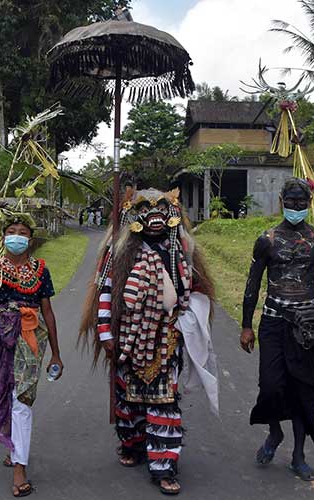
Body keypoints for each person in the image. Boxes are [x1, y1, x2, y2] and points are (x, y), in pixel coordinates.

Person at [80, 188, 218, 495]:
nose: (154, 217)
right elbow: (106, 291)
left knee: (164, 399)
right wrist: (106, 334)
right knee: (128, 397)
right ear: (133, 215)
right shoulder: (119, 251)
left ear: (172, 214)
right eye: (146, 209)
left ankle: (164, 465)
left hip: (166, 337)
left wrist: (186, 320)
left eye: (162, 210)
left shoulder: (182, 250)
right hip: (127, 336)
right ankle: (131, 443)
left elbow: (195, 292)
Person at [240, 178, 314, 481]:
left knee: (303, 390)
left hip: (306, 325)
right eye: (291, 201)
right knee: (271, 385)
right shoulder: (267, 239)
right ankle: (274, 433)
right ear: (281, 202)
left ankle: (299, 456)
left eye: (302, 202)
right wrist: (247, 325)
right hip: (273, 321)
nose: (296, 207)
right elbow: (252, 284)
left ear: (309, 204)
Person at [0, 212, 63, 497]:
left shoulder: (40, 270)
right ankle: (12, 444)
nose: (17, 236)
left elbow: (48, 311)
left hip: (31, 338)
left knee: (22, 399)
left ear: (30, 239)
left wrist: (56, 354)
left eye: (23, 232)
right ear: (3, 235)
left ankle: (20, 468)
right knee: (1, 389)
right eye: (12, 230)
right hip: (1, 336)